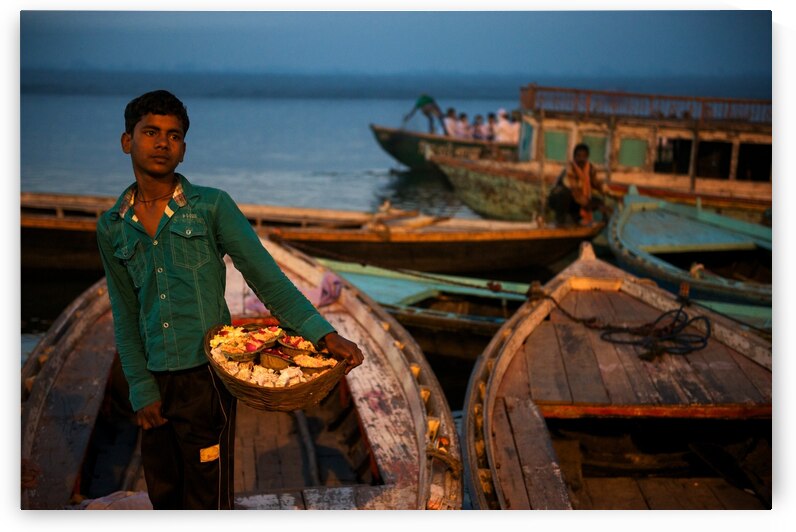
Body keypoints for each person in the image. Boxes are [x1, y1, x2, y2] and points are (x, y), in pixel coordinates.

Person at [96, 90, 364, 510]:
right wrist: (140, 389)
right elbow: (126, 314)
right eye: (151, 132)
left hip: (206, 378)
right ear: (127, 141)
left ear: (184, 150)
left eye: (174, 135)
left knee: (209, 496)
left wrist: (324, 335)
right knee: (165, 494)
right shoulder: (112, 226)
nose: (163, 143)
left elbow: (268, 281)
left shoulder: (211, 207)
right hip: (153, 377)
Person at [547, 143, 606, 226]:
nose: (581, 159)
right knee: (565, 194)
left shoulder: (590, 169)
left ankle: (582, 220)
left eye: (584, 156)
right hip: (560, 199)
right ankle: (560, 221)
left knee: (599, 202)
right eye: (578, 156)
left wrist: (608, 193)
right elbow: (575, 191)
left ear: (587, 157)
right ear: (574, 157)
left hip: (577, 198)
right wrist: (588, 204)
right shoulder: (569, 170)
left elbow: (596, 184)